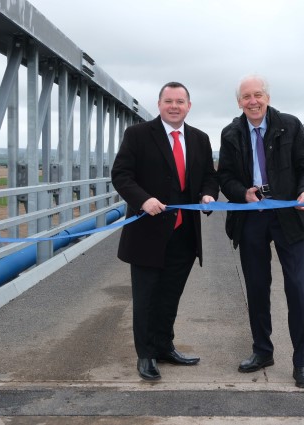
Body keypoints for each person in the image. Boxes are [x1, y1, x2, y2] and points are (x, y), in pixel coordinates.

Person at [217, 75, 304, 388]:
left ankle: (302, 363)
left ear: (267, 97)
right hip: (252, 218)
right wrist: (241, 193)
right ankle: (262, 351)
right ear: (239, 102)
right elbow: (225, 177)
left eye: (258, 95)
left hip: (289, 216)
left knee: (296, 289)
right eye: (246, 96)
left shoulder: (290, 125)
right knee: (257, 288)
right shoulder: (231, 133)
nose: (253, 101)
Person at [111, 81, 218, 381]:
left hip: (184, 234)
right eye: (168, 101)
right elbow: (121, 174)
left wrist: (208, 195)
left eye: (180, 101)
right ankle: (145, 355)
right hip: (147, 233)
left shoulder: (200, 138)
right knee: (146, 297)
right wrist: (143, 200)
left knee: (170, 295)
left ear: (189, 106)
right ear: (159, 104)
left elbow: (210, 177)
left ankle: (163, 346)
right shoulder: (138, 135)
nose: (174, 106)